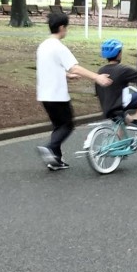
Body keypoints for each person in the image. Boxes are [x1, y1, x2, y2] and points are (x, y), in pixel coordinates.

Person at [36, 12, 112, 171]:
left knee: (59, 126)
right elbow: (74, 66)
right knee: (68, 125)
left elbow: (50, 67)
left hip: (43, 94)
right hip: (57, 94)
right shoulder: (59, 47)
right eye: (66, 28)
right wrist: (96, 77)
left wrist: (66, 75)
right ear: (62, 27)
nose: (66, 31)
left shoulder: (43, 46)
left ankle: (55, 160)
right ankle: (50, 148)